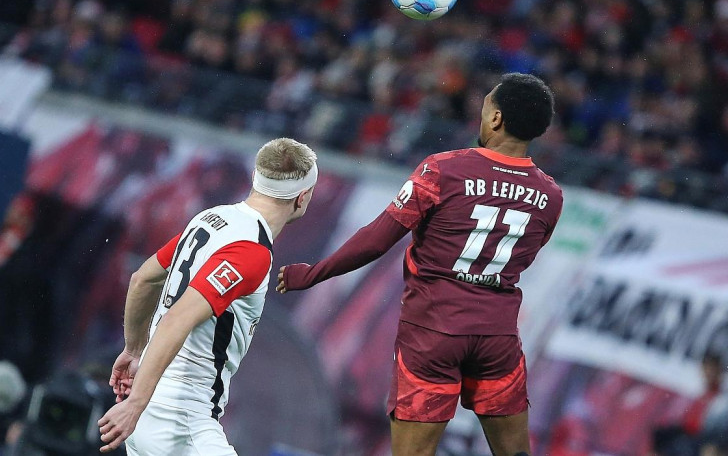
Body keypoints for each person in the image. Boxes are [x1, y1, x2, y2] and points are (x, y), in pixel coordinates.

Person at [277, 73, 563, 456]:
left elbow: (377, 239)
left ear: (495, 119)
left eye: (485, 108)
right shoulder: (550, 194)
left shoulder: (443, 170)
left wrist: (311, 273)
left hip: (433, 331)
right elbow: (525, 254)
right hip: (496, 337)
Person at [97, 138, 318, 454]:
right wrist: (135, 403)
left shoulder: (210, 219)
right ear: (303, 197)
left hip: (151, 411)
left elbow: (142, 280)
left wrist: (134, 350)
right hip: (180, 419)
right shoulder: (251, 251)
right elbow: (178, 318)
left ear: (256, 180)